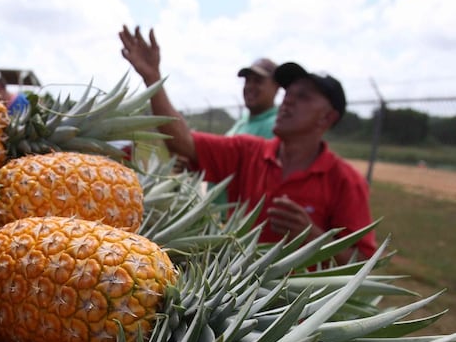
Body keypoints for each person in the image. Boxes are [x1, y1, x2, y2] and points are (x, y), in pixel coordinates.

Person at [119, 25, 377, 264]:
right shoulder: (249, 152)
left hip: (296, 312)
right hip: (235, 301)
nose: (287, 101)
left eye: (303, 97)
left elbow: (364, 263)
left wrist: (313, 237)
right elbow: (183, 141)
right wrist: (152, 77)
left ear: (328, 117)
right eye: (288, 93)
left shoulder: (344, 181)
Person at [226, 57, 280, 138]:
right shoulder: (245, 120)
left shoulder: (276, 126)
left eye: (258, 81)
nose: (249, 87)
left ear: (276, 86)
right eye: (247, 81)